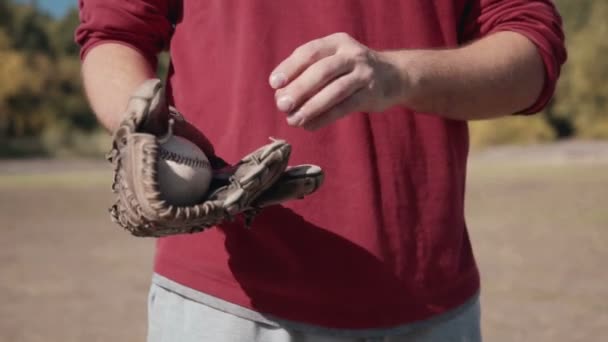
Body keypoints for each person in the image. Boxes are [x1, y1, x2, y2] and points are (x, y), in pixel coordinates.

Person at [75, 1, 566, 341]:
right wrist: (142, 130)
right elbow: (114, 32)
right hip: (224, 305)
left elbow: (531, 51)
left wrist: (400, 75)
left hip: (428, 307)